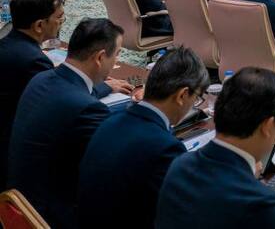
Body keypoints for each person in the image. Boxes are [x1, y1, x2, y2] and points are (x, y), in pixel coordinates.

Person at [155, 68, 275, 229]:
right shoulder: (255, 199)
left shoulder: (180, 165)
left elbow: (227, 208)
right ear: (268, 125)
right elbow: (254, 209)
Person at [8, 19, 124, 229]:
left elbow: (73, 93)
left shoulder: (41, 79)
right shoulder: (87, 108)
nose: (117, 59)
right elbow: (114, 163)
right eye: (117, 54)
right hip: (51, 216)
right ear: (100, 57)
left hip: (18, 203)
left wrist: (106, 87)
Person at [77, 47, 210, 229]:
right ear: (182, 95)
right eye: (196, 98)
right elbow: (180, 211)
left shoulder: (110, 119)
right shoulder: (165, 148)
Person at [0, 0, 67, 187]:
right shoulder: (33, 61)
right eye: (59, 17)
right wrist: (103, 87)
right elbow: (58, 101)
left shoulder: (7, 43)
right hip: (14, 151)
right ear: (39, 25)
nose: (62, 22)